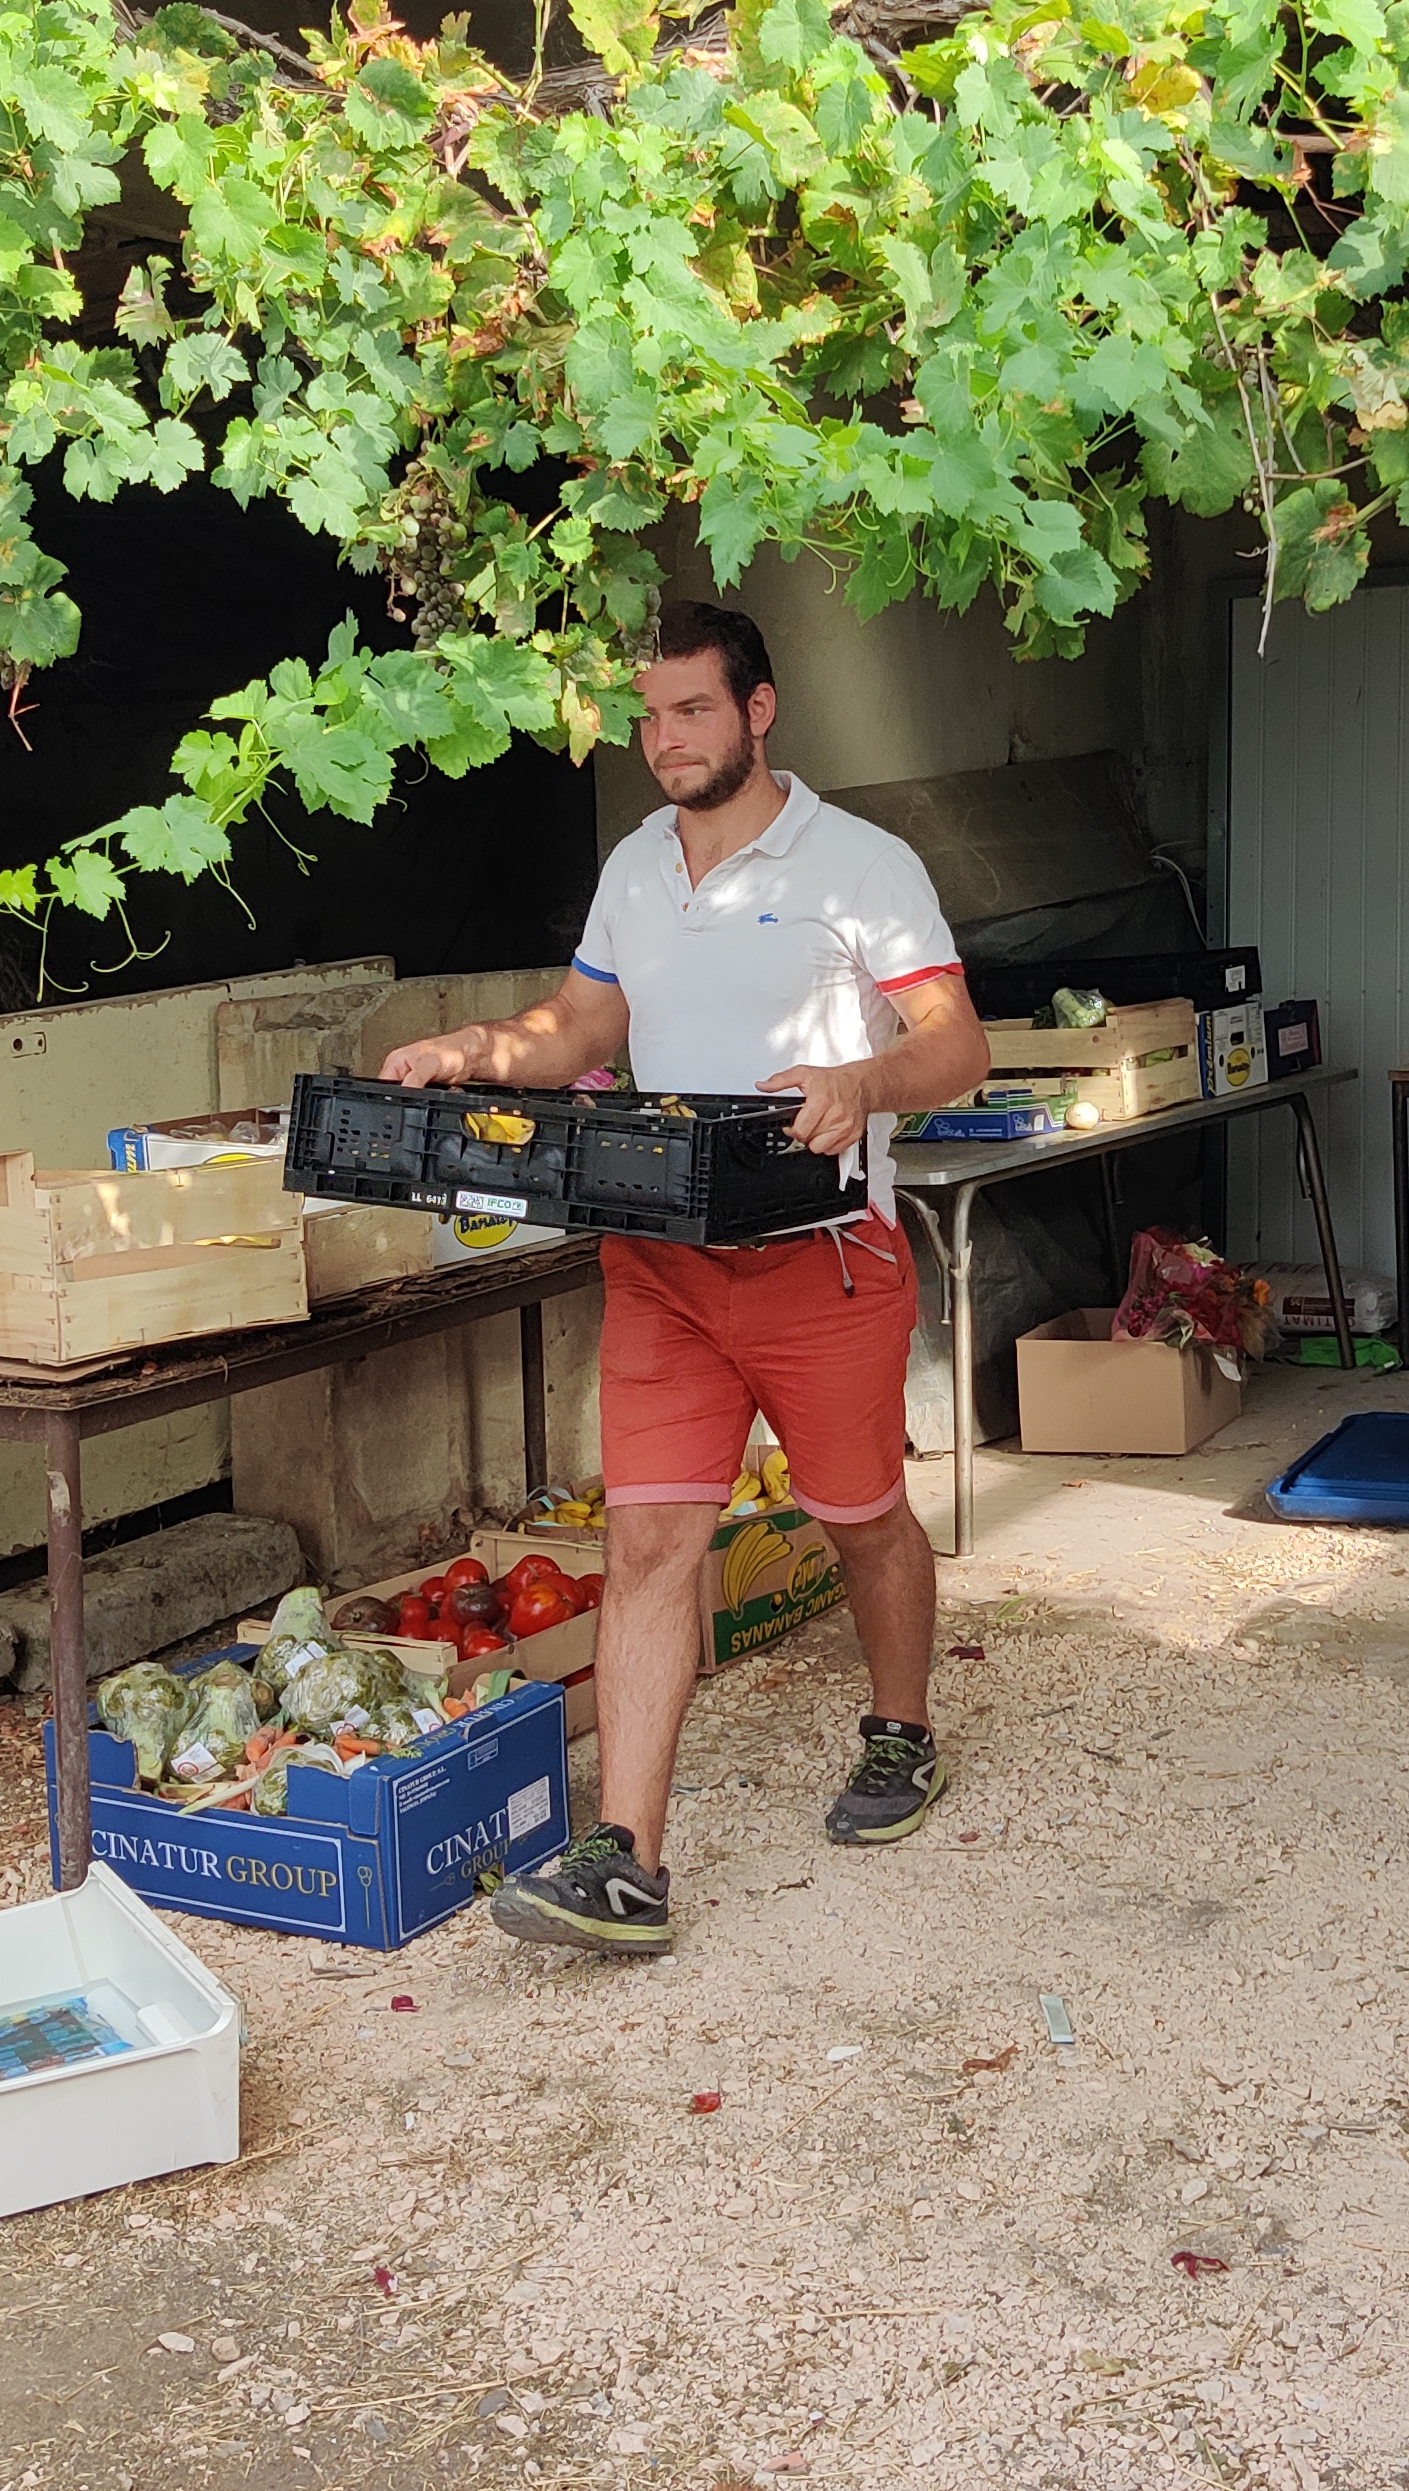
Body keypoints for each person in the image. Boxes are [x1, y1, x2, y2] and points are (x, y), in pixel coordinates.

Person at [382, 601, 991, 1954]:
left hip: (818, 1258)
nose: (665, 740)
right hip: (660, 1262)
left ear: (760, 710)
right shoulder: (635, 868)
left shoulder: (861, 866)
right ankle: (627, 1858)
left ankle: (901, 1729)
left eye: (693, 711)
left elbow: (958, 1052)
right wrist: (478, 1050)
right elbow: (583, 1025)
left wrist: (862, 1081)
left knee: (859, 1518)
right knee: (652, 1544)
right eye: (648, 715)